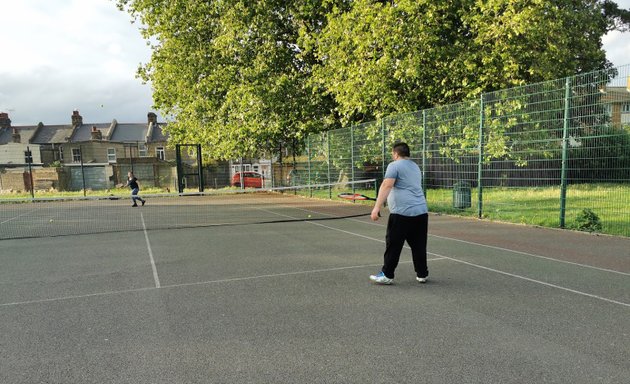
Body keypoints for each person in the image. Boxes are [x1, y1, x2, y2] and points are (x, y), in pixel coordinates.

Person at [370, 142, 428, 285]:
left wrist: (376, 207)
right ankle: (422, 274)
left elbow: (387, 185)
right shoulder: (415, 167)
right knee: (419, 245)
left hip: (402, 214)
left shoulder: (394, 166)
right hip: (421, 211)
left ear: (395, 154)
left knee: (393, 244)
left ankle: (387, 275)